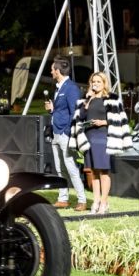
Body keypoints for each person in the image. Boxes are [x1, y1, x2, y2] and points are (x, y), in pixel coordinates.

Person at [72, 71, 132, 214]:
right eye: (93, 82)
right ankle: (96, 201)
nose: (95, 84)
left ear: (104, 83)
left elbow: (120, 119)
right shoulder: (85, 99)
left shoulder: (112, 99)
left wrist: (103, 121)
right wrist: (86, 103)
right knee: (93, 172)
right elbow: (79, 118)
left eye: (99, 81)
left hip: (104, 137)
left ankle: (104, 202)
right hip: (90, 137)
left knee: (104, 171)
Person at [44, 58, 87, 210]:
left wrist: (67, 132)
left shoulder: (71, 88)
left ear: (57, 71)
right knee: (59, 168)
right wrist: (52, 110)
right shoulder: (59, 87)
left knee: (71, 167)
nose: (50, 72)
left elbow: (75, 112)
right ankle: (63, 198)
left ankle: (82, 200)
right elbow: (62, 110)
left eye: (52, 69)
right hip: (56, 132)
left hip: (64, 133)